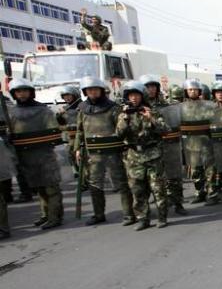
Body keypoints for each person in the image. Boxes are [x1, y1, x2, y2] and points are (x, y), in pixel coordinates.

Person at [75, 76, 134, 226]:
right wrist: (77, 148)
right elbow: (79, 131)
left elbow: (121, 130)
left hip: (113, 152)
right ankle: (98, 214)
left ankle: (129, 214)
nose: (92, 92)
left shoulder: (113, 108)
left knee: (121, 183)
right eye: (89, 90)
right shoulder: (82, 109)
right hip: (93, 154)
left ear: (101, 90)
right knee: (95, 184)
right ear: (85, 92)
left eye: (95, 89)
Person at [6, 79, 64, 230]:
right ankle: (46, 215)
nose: (22, 94)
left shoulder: (43, 111)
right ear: (14, 94)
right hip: (26, 156)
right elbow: (9, 134)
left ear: (31, 92)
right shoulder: (11, 112)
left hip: (45, 154)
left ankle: (55, 216)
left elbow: (54, 132)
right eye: (19, 91)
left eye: (25, 91)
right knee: (39, 187)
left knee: (51, 187)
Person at [115, 81, 169, 230]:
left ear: (142, 96)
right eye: (131, 95)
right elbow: (119, 134)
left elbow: (165, 130)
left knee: (157, 188)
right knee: (138, 190)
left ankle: (162, 217)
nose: (134, 98)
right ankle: (143, 219)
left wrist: (150, 118)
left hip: (153, 155)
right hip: (134, 157)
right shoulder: (123, 114)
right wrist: (125, 119)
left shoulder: (152, 111)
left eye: (136, 95)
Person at [144, 75, 187, 215]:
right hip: (150, 148)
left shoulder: (168, 104)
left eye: (153, 87)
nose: (151, 90)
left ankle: (178, 203)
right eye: (147, 87)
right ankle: (161, 206)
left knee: (174, 175)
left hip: (170, 144)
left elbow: (175, 123)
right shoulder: (140, 107)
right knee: (155, 179)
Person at [180, 79, 216, 204]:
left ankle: (212, 194)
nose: (193, 91)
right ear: (185, 91)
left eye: (195, 89)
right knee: (195, 171)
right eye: (190, 89)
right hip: (190, 144)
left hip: (206, 142)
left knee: (209, 170)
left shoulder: (209, 105)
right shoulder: (180, 108)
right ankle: (199, 192)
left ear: (199, 91)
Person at [55, 85, 83, 178]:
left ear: (75, 95)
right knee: (71, 155)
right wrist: (59, 116)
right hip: (70, 138)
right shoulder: (63, 109)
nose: (66, 98)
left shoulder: (83, 106)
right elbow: (59, 126)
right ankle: (77, 171)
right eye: (64, 96)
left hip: (82, 137)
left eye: (68, 95)